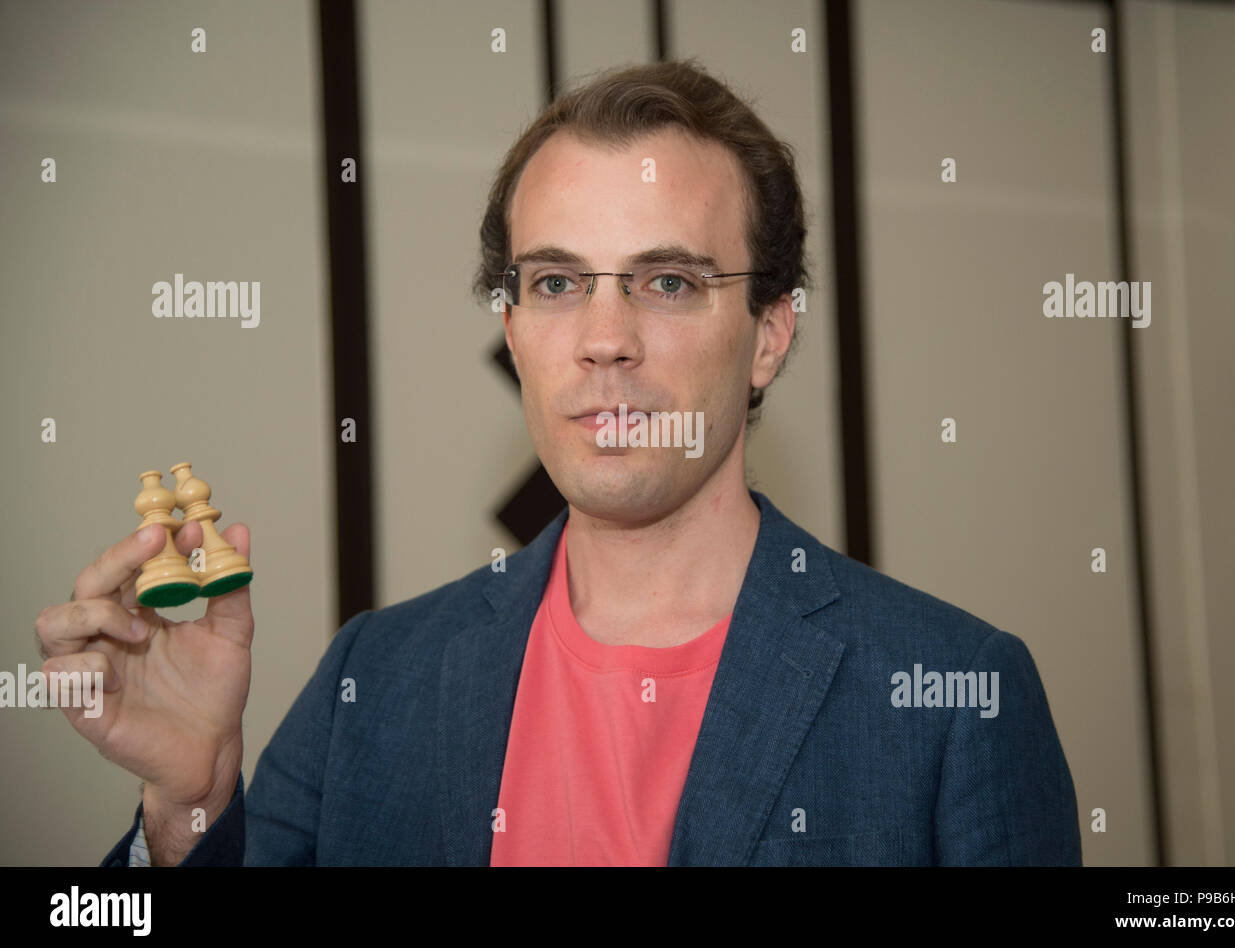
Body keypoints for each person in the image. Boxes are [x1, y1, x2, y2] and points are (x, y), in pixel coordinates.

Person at [36, 58, 1080, 866]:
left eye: (667, 282)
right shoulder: (375, 677)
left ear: (769, 331)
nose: (603, 337)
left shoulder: (953, 699)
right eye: (555, 282)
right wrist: (188, 803)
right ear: (516, 326)